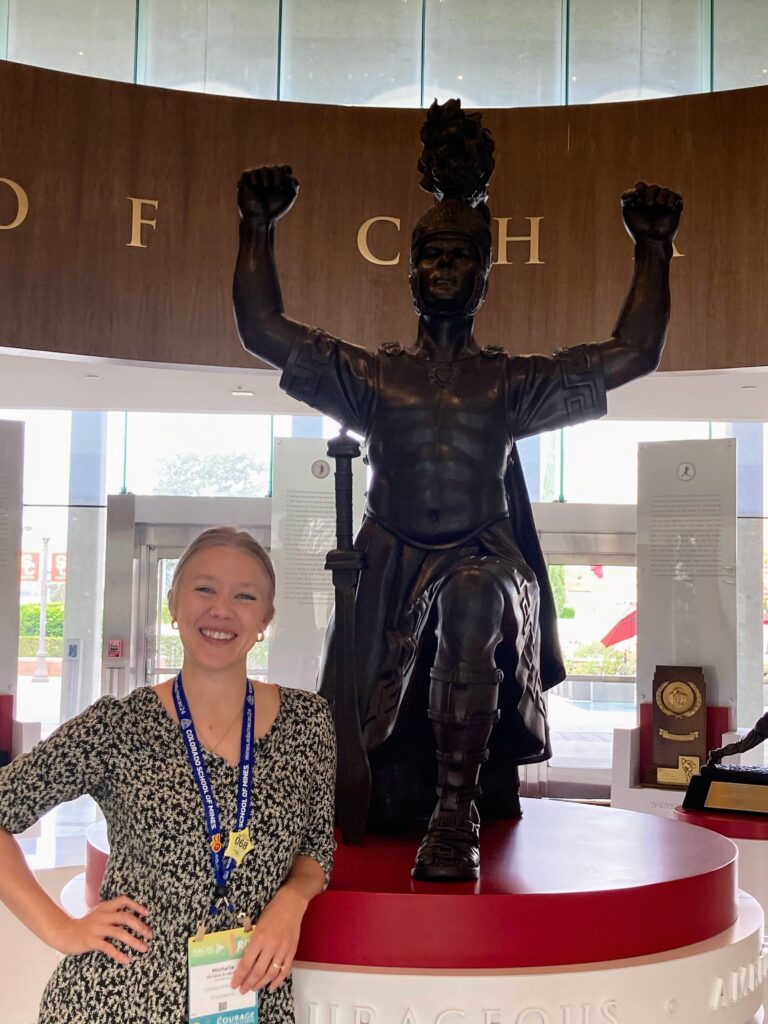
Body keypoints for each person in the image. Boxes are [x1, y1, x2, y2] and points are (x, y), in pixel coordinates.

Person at [233, 100, 682, 881]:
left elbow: (632, 353)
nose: (443, 267)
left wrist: (653, 251)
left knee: (474, 597)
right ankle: (394, 799)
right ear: (409, 273)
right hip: (391, 561)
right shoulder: (376, 378)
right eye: (431, 255)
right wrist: (257, 227)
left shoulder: (509, 383)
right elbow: (262, 326)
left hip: (482, 553)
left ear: (484, 276)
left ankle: (454, 814)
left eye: (459, 257)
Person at [0, 527, 335, 1024]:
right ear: (173, 603)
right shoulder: (118, 727)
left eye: (245, 596)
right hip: (119, 997)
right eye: (205, 589)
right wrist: (61, 929)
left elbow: (316, 847)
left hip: (247, 996)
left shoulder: (309, 724)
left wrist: (293, 899)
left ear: (265, 618)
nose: (222, 610)